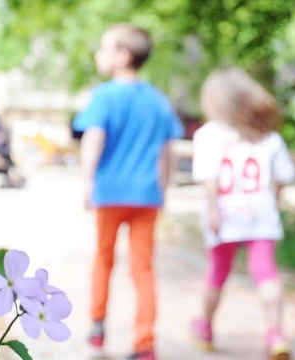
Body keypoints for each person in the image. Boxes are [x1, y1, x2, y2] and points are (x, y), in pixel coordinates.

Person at [74, 23, 184, 360]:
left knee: (103, 259)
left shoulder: (104, 96)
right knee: (143, 268)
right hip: (147, 196)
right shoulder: (159, 101)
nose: (98, 54)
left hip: (110, 193)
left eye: (104, 47)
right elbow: (168, 152)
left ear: (122, 56)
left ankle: (96, 326)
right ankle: (145, 342)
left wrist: (87, 181)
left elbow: (93, 139)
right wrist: (163, 188)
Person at [190, 67, 295, 360]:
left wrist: (212, 209)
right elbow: (282, 176)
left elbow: (209, 178)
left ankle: (206, 327)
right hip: (260, 216)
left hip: (224, 217)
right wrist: (270, 202)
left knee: (217, 273)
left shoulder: (209, 135)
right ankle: (275, 333)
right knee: (266, 273)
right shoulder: (268, 136)